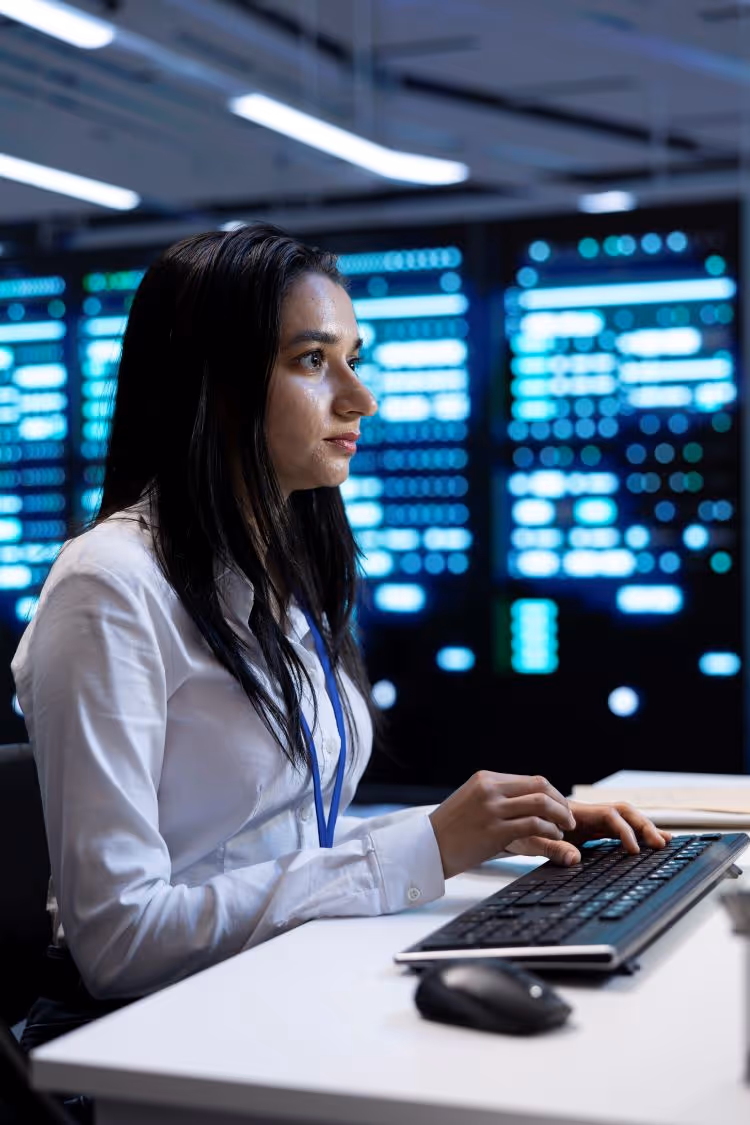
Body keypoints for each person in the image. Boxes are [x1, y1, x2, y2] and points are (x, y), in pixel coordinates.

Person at [12, 223, 668, 1054]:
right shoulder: (109, 585)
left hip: (275, 991)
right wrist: (425, 845)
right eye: (313, 360)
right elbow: (120, 940)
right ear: (213, 381)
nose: (360, 398)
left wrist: (486, 830)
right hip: (151, 1038)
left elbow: (286, 843)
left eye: (354, 358)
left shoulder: (278, 572)